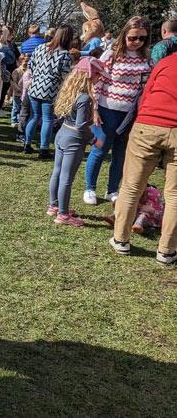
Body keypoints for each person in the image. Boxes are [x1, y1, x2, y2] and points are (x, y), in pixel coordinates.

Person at [108, 51, 177, 264]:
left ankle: (121, 239)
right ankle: (166, 250)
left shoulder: (166, 62)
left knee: (131, 186)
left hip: (148, 123)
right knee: (175, 194)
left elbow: (146, 94)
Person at [83, 16, 152, 205]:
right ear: (124, 35)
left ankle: (112, 189)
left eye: (142, 38)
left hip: (131, 113)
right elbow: (97, 83)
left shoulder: (147, 58)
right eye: (133, 37)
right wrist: (95, 108)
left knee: (121, 153)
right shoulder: (110, 54)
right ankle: (90, 188)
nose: (137, 42)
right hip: (108, 109)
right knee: (100, 149)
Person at [47, 58, 106, 227]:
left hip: (62, 133)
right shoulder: (85, 98)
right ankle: (63, 214)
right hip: (73, 140)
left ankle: (54, 205)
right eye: (98, 75)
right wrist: (93, 139)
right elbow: (81, 125)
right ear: (89, 76)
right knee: (67, 178)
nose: (100, 78)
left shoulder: (70, 91)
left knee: (57, 172)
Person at [23, 25, 75, 159]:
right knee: (48, 119)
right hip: (50, 89)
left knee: (34, 116)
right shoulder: (65, 55)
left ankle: (27, 144)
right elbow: (65, 76)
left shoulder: (40, 48)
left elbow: (30, 65)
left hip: (35, 86)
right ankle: (43, 149)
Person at [9, 54, 28, 128]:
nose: (25, 62)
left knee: (22, 108)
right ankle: (13, 120)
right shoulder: (16, 71)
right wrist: (17, 89)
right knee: (16, 107)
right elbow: (13, 82)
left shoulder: (28, 71)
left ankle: (19, 120)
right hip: (18, 93)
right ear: (20, 61)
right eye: (24, 60)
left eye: (27, 61)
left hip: (25, 93)